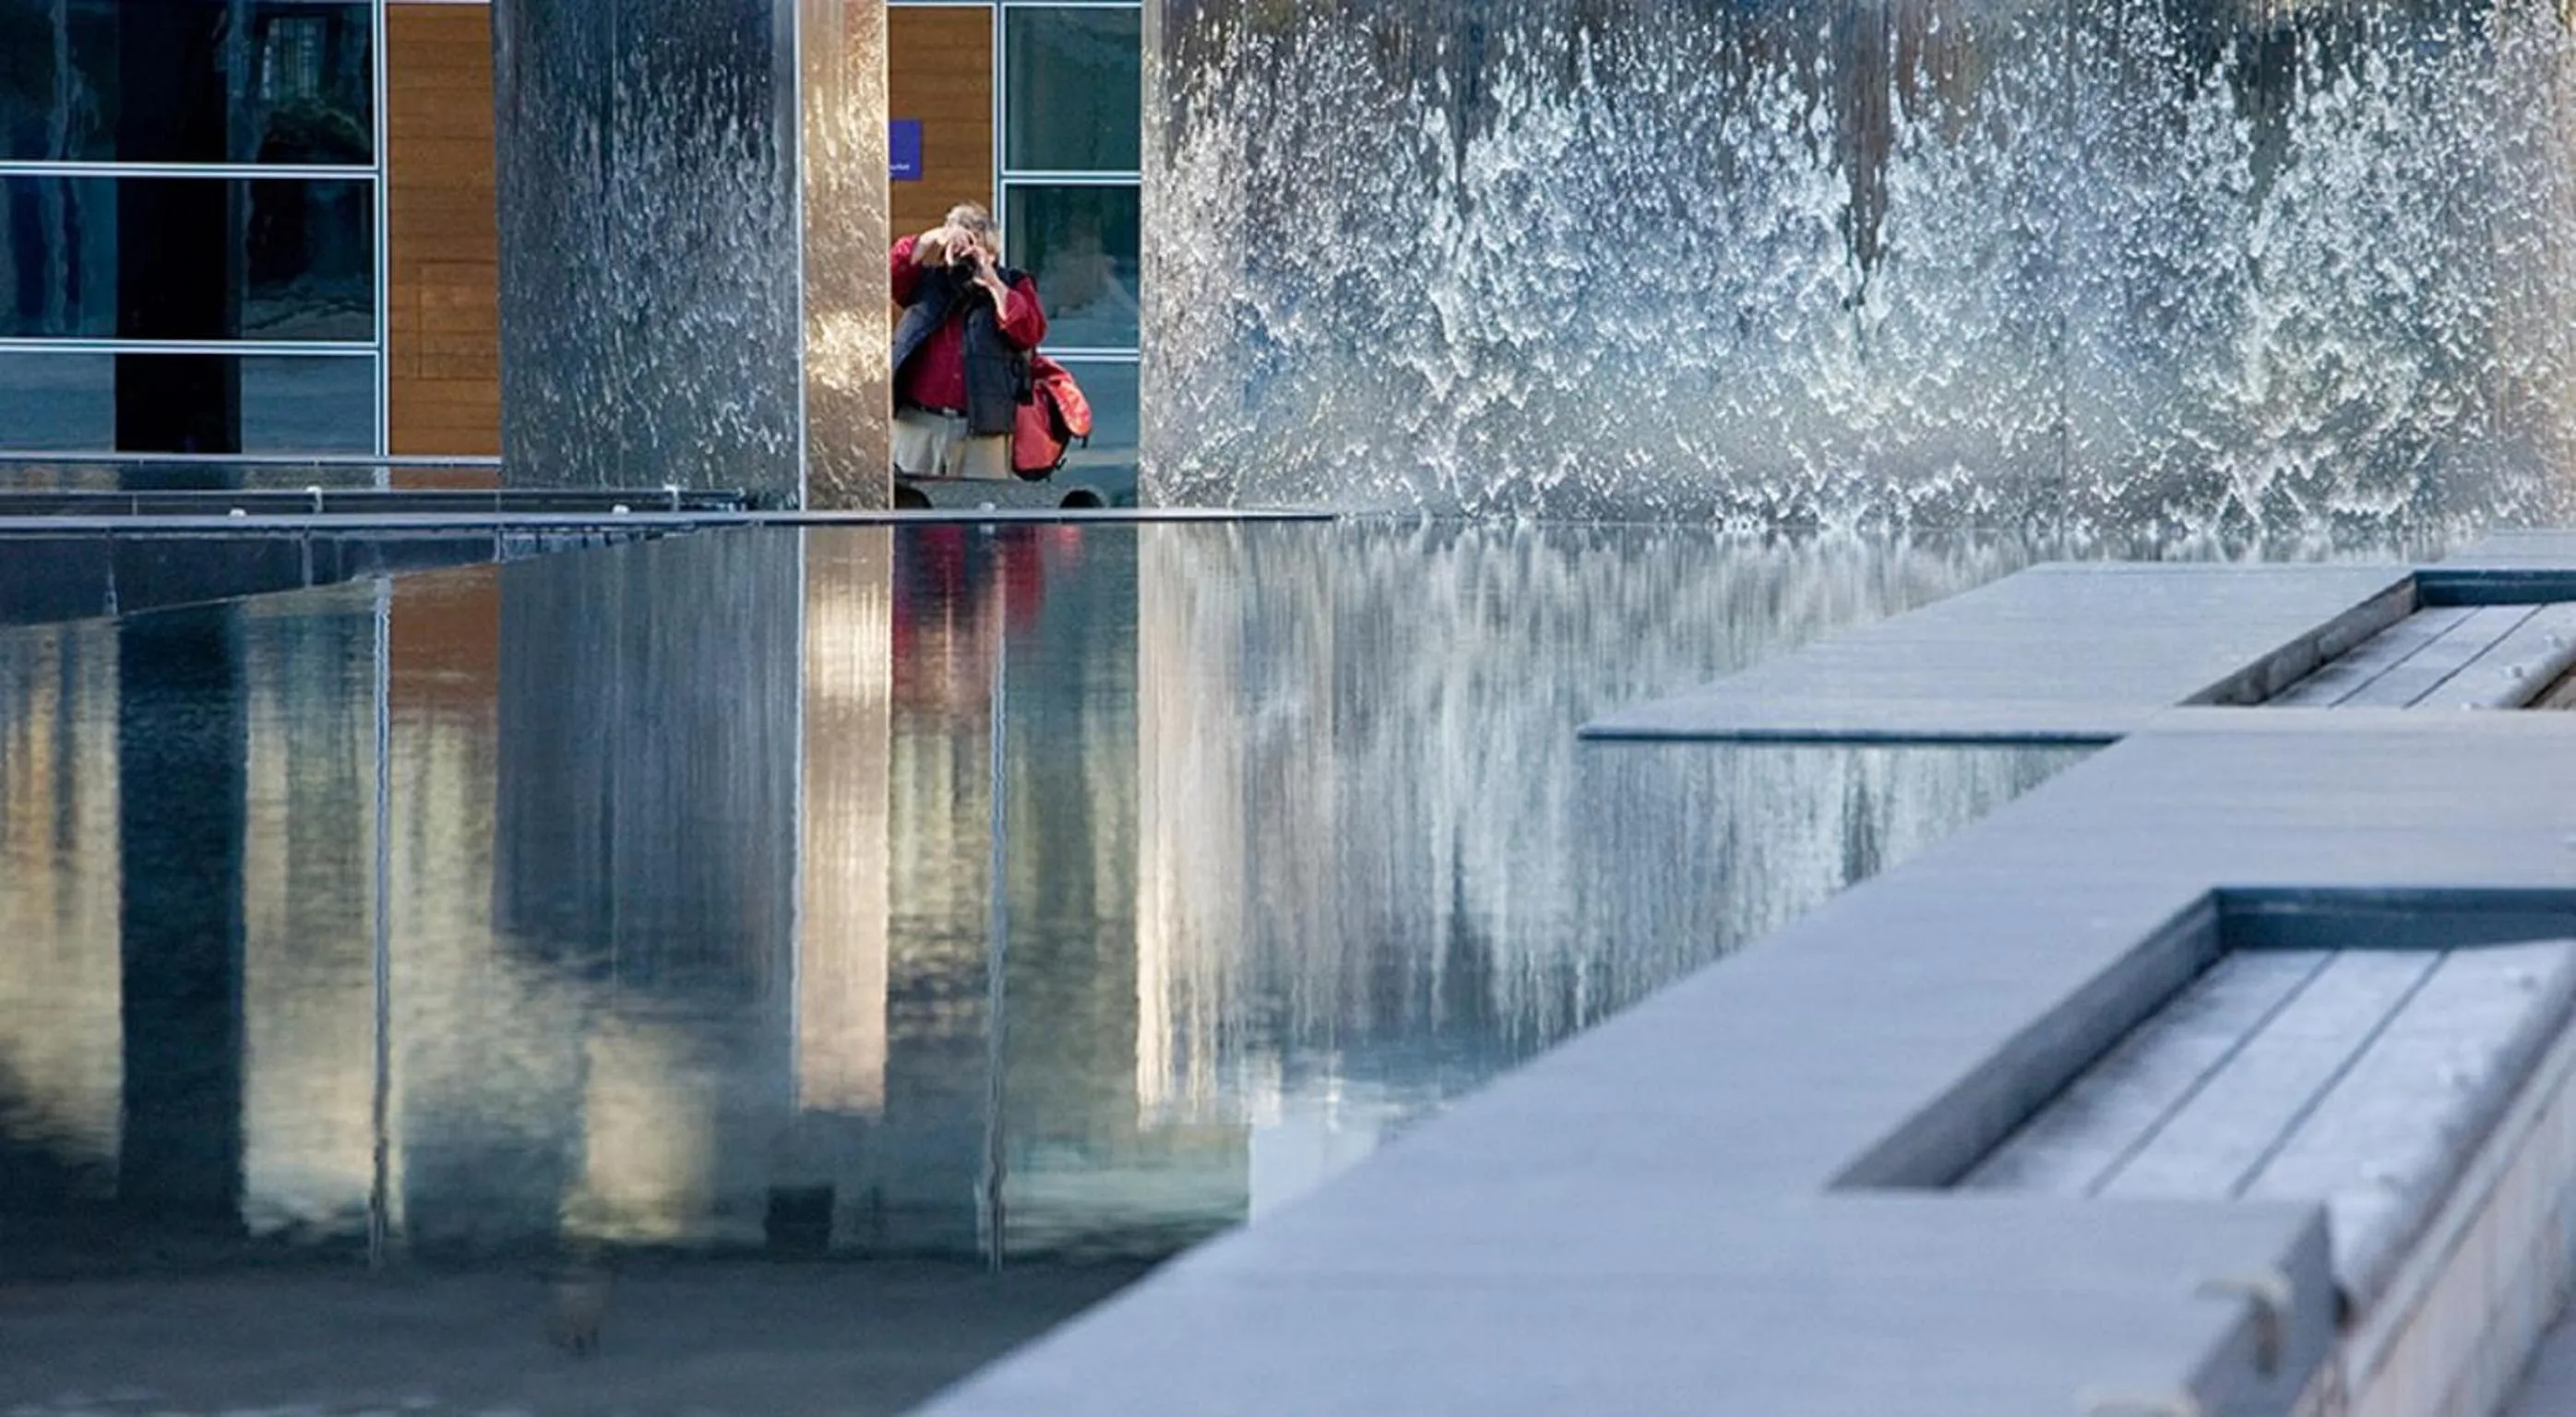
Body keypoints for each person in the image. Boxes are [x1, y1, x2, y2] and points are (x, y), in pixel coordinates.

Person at [889, 203, 1046, 482]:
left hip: (982, 429)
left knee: (981, 517)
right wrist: (931, 238)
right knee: (911, 511)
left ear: (993, 253)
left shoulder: (1013, 284)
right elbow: (886, 276)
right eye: (960, 248)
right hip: (919, 423)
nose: (966, 259)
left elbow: (1029, 331)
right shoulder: (926, 281)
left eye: (974, 249)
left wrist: (994, 283)